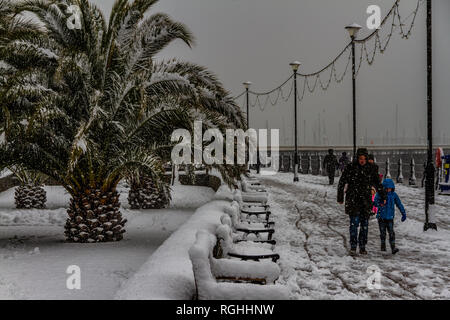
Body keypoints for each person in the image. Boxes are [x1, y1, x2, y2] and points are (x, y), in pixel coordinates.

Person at [337, 148, 386, 256]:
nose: (362, 161)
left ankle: (362, 246)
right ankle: (354, 246)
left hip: (365, 201)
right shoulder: (351, 168)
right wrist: (340, 197)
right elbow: (342, 182)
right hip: (353, 199)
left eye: (364, 158)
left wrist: (383, 197)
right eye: (360, 158)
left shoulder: (371, 169)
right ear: (357, 158)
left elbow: (378, 184)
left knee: (365, 225)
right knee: (354, 224)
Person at [373, 179, 406, 254]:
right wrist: (380, 203)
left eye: (390, 188)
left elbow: (399, 204)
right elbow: (374, 203)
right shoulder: (380, 194)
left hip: (390, 218)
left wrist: (403, 213)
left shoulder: (394, 195)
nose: (389, 190)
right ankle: (383, 246)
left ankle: (393, 247)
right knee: (383, 233)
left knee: (391, 233)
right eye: (387, 188)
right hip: (381, 217)